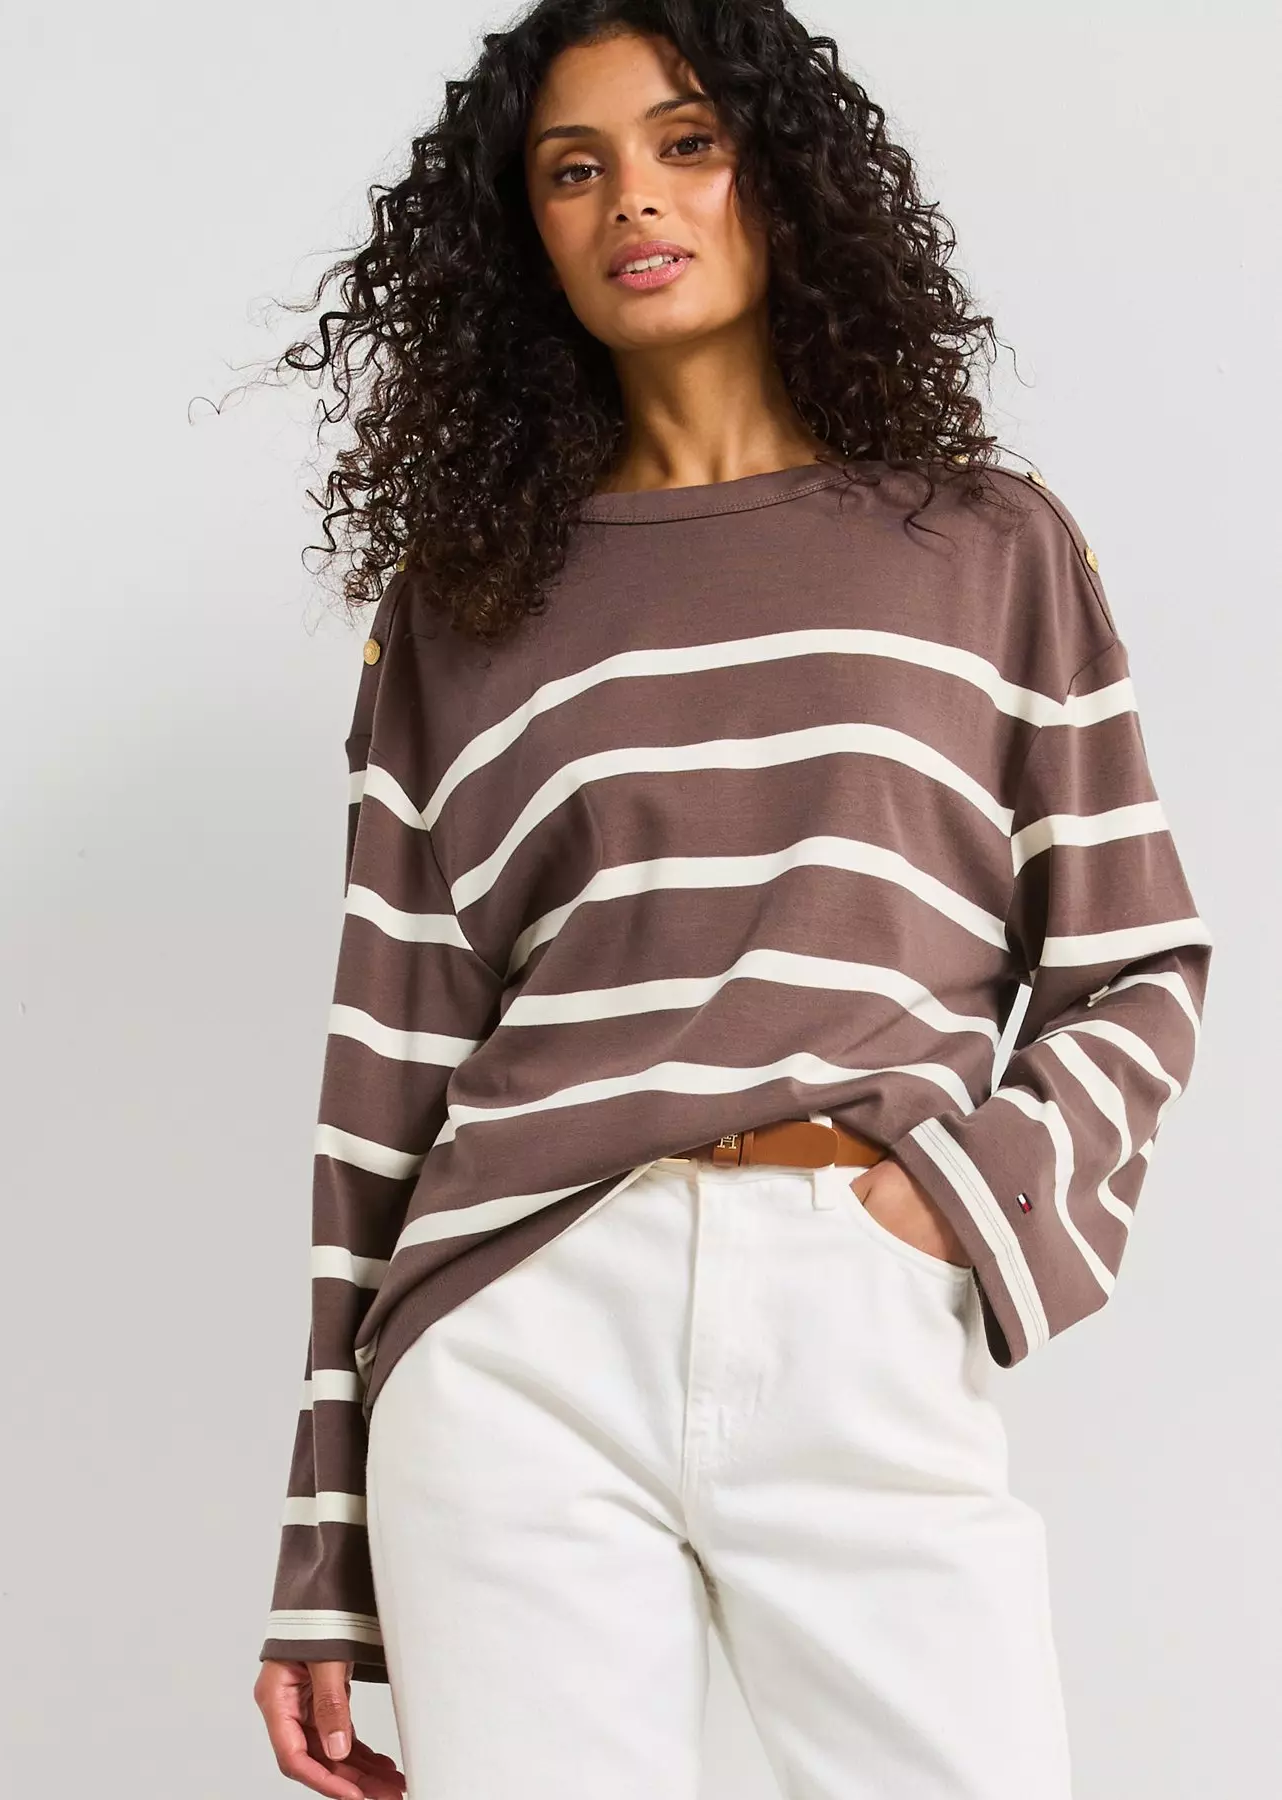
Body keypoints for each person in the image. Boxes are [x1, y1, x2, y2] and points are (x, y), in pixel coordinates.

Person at [251, 5, 1211, 1798]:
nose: (633, 197)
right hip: (512, 1331)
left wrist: (951, 1208)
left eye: (685, 142)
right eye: (573, 168)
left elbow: (1131, 962)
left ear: (780, 173)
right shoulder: (459, 607)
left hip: (858, 1286)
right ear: (523, 232)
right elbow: (384, 1070)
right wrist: (324, 1553)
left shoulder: (982, 545)